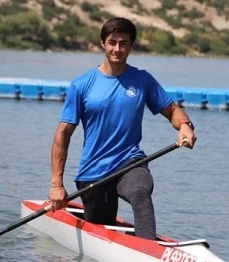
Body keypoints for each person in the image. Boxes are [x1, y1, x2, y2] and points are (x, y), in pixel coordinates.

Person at [49, 17, 197, 240]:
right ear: (102, 44)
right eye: (112, 42)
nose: (117, 48)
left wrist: (185, 125)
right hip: (94, 172)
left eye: (123, 43)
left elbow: (172, 110)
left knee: (140, 192)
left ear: (131, 46)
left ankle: (148, 249)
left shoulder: (142, 80)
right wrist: (56, 185)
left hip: (130, 162)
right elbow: (63, 134)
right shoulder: (81, 85)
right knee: (101, 226)